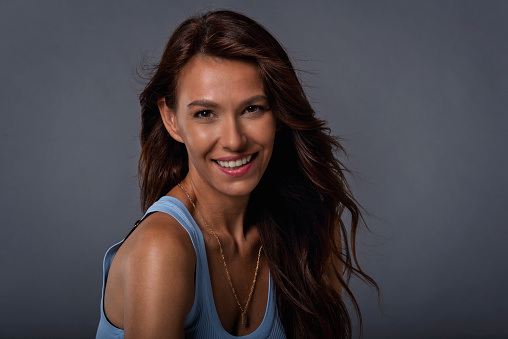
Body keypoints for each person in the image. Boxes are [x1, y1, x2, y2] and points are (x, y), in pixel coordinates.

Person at [96, 10, 377, 339]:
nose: (233, 140)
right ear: (171, 120)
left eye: (252, 109)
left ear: (279, 114)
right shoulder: (162, 249)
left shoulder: (310, 227)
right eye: (205, 113)